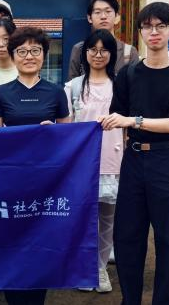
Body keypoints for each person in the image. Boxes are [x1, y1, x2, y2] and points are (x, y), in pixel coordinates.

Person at [99, 1, 169, 305]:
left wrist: (135, 121)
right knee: (128, 236)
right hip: (134, 160)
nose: (153, 32)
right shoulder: (128, 74)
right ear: (140, 31)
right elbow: (117, 118)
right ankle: (130, 299)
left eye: (160, 26)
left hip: (167, 160)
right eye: (147, 26)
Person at [0, 27, 69, 305]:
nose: (29, 56)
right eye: (21, 51)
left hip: (46, 181)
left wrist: (53, 133)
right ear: (12, 56)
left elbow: (68, 139)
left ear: (44, 55)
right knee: (11, 239)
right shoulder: (2, 93)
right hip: (10, 180)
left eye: (35, 50)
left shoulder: (56, 92)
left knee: (40, 240)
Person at [64, 29, 122, 294]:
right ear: (84, 53)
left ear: (112, 54)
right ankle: (83, 268)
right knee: (82, 218)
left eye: (104, 50)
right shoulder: (73, 86)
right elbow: (66, 126)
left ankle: (100, 269)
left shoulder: (120, 86)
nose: (98, 55)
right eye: (93, 49)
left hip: (113, 159)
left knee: (107, 220)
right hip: (82, 164)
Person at [68, 0, 138, 79]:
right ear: (89, 18)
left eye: (108, 11)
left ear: (117, 17)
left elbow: (134, 84)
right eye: (97, 12)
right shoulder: (79, 49)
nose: (103, 16)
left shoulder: (129, 52)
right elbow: (73, 83)